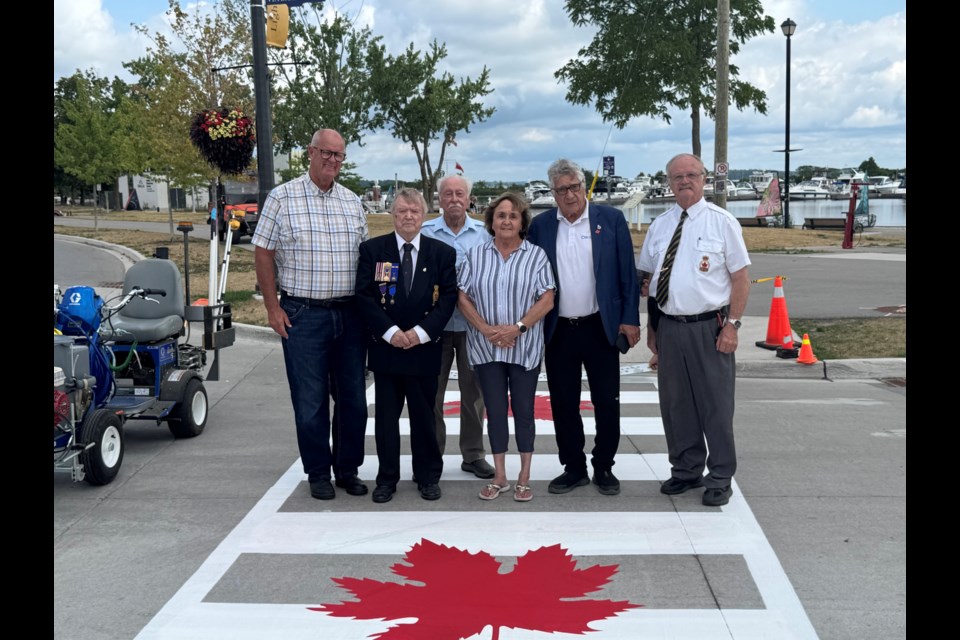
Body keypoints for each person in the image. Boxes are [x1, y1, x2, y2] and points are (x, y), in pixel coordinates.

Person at [251, 128, 369, 501]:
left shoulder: (352, 201)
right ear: (310, 151)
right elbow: (263, 252)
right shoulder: (282, 198)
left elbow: (364, 258)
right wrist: (273, 307)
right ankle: (318, 471)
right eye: (327, 153)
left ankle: (347, 469)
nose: (332, 161)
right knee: (310, 398)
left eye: (339, 156)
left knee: (352, 398)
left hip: (349, 314)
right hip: (303, 312)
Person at [636, 153, 751, 507]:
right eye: (676, 177)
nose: (684, 181)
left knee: (715, 405)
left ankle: (719, 476)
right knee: (676, 405)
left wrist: (732, 326)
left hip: (709, 327)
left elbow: (740, 278)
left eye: (690, 175)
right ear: (668, 183)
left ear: (703, 179)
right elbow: (649, 281)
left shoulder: (722, 222)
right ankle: (685, 470)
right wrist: (653, 329)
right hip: (670, 326)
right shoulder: (659, 225)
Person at [526, 158, 641, 496]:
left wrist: (630, 319)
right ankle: (573, 466)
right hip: (558, 330)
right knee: (563, 402)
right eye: (561, 190)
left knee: (607, 400)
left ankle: (604, 466)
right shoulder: (542, 226)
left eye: (574, 187)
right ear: (553, 193)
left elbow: (627, 275)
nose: (570, 195)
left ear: (583, 185)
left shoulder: (611, 219)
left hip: (600, 327)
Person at [355, 188, 458, 504]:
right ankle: (387, 478)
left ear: (424, 214)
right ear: (392, 214)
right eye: (402, 211)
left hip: (424, 350)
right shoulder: (374, 250)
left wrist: (420, 333)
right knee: (386, 420)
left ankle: (427, 476)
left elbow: (449, 298)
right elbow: (364, 296)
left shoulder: (441, 253)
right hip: (387, 349)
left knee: (424, 417)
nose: (408, 216)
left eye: (414, 211)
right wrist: (390, 332)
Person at [457, 193, 555, 502]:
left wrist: (518, 327)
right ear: (491, 221)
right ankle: (500, 475)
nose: (507, 220)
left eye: (513, 215)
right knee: (495, 411)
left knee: (524, 411)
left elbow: (547, 298)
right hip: (487, 348)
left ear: (522, 221)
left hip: (523, 346)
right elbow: (462, 296)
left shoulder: (536, 256)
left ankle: (524, 476)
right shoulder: (475, 255)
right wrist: (486, 329)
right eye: (501, 215)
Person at [421, 175, 495, 480]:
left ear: (469, 199)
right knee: (431, 394)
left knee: (474, 394)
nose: (454, 199)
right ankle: (431, 454)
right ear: (439, 198)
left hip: (472, 326)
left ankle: (473, 454)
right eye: (448, 193)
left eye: (460, 194)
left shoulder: (483, 234)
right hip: (433, 327)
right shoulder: (425, 233)